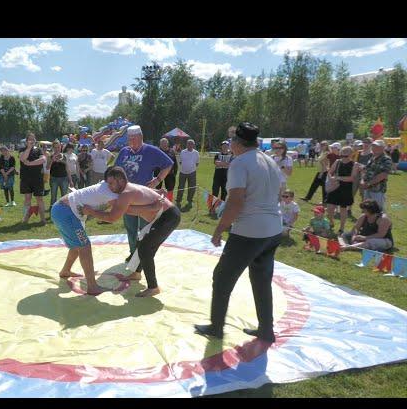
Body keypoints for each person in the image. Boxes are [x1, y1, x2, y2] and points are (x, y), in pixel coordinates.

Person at [195, 122, 282, 343]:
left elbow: (235, 202)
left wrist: (218, 230)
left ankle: (216, 327)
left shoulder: (240, 163)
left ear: (236, 143)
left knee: (222, 278)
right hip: (273, 229)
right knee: (262, 280)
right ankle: (266, 329)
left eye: (231, 140)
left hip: (249, 231)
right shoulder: (270, 160)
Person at [81, 166, 181, 297]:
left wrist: (91, 212)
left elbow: (112, 218)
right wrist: (156, 196)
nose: (110, 187)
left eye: (111, 183)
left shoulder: (126, 193)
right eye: (108, 184)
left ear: (121, 180)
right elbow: (143, 194)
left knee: (146, 248)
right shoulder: (127, 189)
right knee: (142, 243)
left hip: (168, 217)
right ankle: (137, 273)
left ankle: (153, 287)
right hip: (162, 216)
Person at [114, 125, 173, 261]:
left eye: (134, 138)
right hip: (126, 197)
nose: (132, 141)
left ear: (141, 137)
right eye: (129, 138)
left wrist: (157, 180)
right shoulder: (124, 152)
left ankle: (143, 255)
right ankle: (133, 252)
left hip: (144, 198)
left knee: (144, 228)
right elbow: (116, 170)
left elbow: (168, 164)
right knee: (130, 227)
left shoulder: (150, 151)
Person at [324, 146, 356, 234]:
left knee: (343, 209)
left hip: (346, 189)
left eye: (345, 156)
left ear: (351, 155)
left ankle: (342, 228)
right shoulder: (337, 162)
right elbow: (330, 172)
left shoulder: (354, 164)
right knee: (329, 208)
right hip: (335, 187)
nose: (343, 158)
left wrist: (338, 178)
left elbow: (351, 178)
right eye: (341, 155)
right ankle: (331, 222)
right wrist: (331, 179)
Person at [19, 132, 47, 224]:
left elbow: (43, 159)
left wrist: (30, 163)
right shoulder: (22, 149)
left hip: (37, 178)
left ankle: (43, 219)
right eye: (30, 139)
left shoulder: (38, 150)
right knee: (27, 199)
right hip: (26, 178)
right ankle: (25, 218)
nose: (32, 141)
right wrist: (29, 148)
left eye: (33, 139)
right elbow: (23, 158)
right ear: (26, 141)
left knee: (39, 199)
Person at [360, 139, 392, 211]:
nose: (374, 148)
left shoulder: (386, 159)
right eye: (373, 146)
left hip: (378, 190)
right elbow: (366, 170)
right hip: (367, 188)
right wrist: (362, 180)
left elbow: (383, 174)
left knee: (378, 210)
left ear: (383, 148)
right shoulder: (372, 158)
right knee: (367, 209)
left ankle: (380, 222)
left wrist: (368, 183)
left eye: (377, 146)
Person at [47, 140, 71, 206]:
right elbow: (47, 167)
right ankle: (52, 209)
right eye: (55, 147)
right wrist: (52, 160)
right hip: (53, 178)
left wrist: (70, 180)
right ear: (53, 148)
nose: (57, 149)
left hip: (64, 179)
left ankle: (63, 209)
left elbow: (67, 168)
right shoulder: (50, 156)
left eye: (58, 147)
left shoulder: (64, 156)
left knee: (64, 196)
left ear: (60, 147)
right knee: (53, 196)